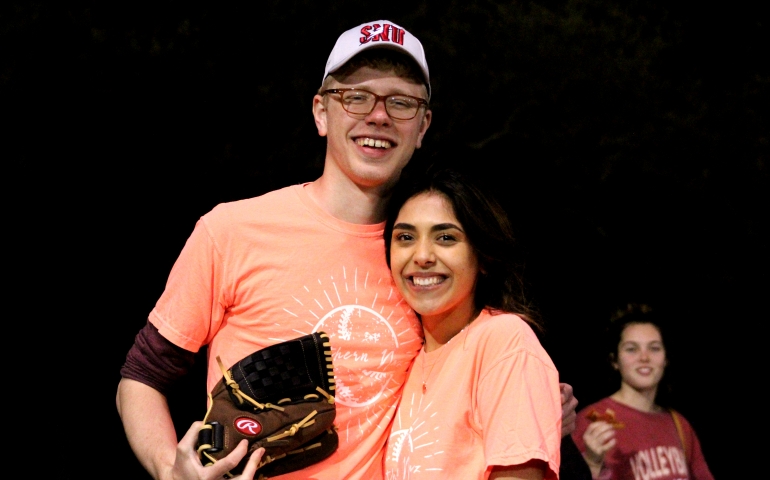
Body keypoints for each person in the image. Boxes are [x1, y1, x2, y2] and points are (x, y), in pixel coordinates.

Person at [116, 19, 577, 480]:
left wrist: (529, 409)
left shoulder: (424, 267)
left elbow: (472, 376)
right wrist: (169, 468)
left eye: (401, 102)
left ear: (422, 126)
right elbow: (141, 376)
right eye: (355, 96)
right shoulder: (231, 230)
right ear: (321, 112)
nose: (378, 116)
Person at [382, 167, 561, 479]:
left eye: (446, 237)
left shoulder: (504, 340)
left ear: (484, 258)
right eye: (406, 237)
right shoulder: (411, 365)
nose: (422, 255)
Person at [571, 304, 714, 480]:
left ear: (666, 358)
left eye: (654, 348)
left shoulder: (679, 424)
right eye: (632, 349)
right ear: (614, 360)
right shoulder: (590, 422)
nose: (644, 357)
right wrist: (592, 462)